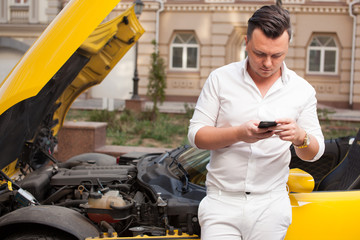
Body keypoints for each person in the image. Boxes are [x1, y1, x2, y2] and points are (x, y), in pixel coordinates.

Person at [187, 5, 325, 240]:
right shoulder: (220, 79)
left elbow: (314, 152)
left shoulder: (302, 90)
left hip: (271, 206)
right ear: (246, 42)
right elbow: (196, 136)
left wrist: (301, 137)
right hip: (222, 203)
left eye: (277, 55)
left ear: (287, 46)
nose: (268, 63)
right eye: (260, 53)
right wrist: (239, 133)